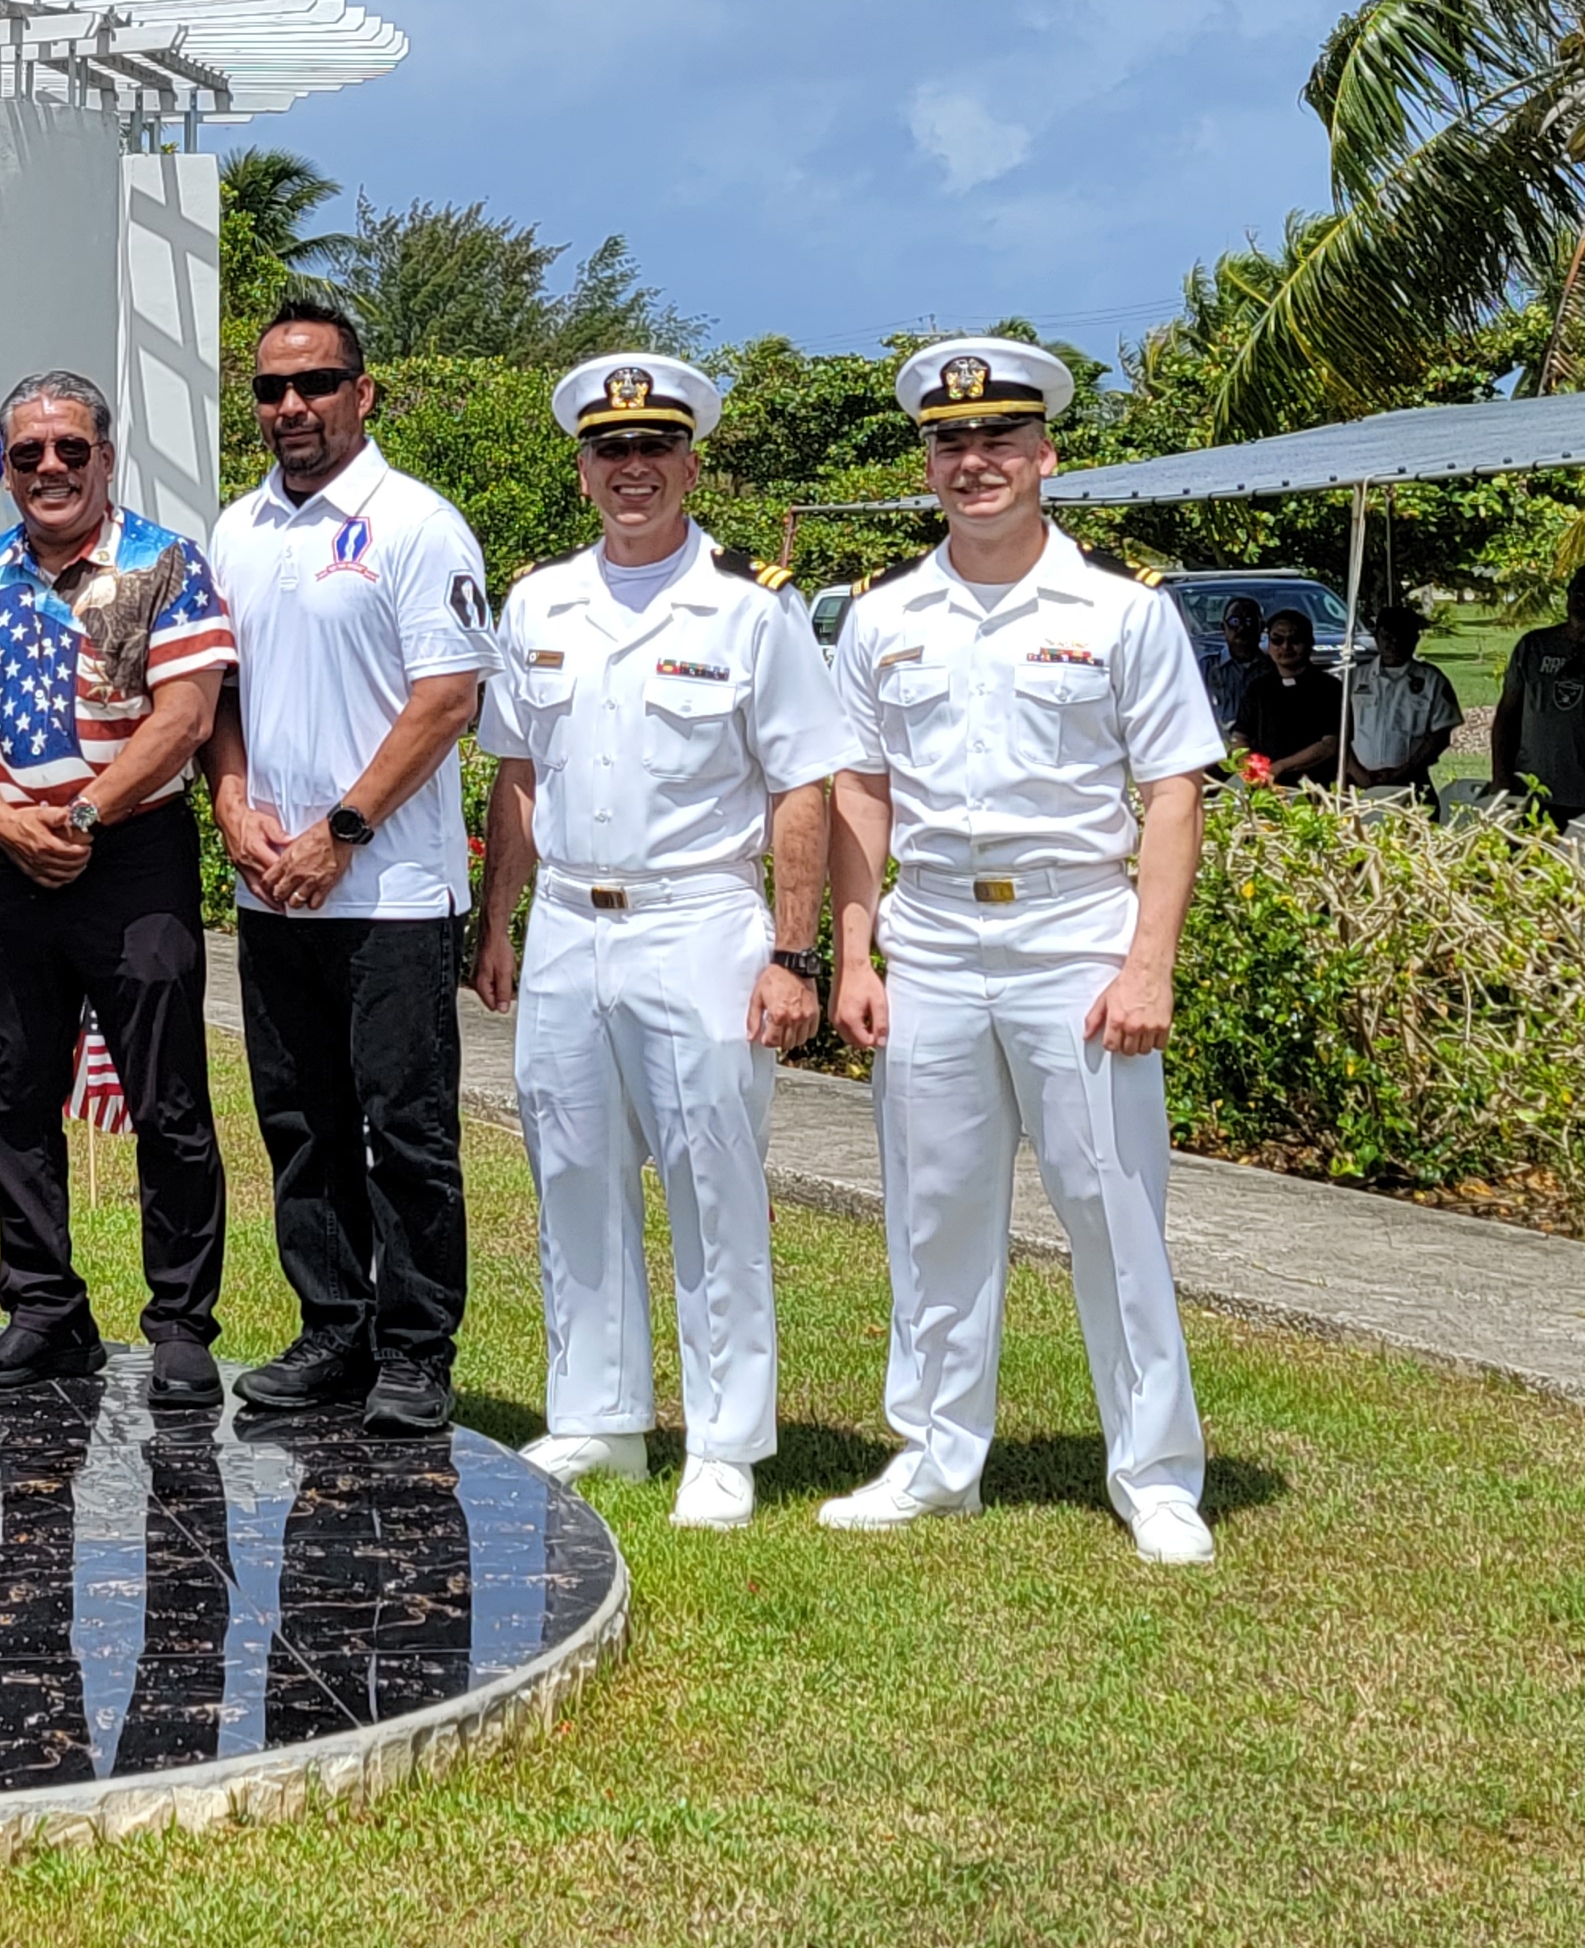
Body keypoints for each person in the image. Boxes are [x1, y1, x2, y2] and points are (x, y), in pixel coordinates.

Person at [821, 334, 1224, 1567]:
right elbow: (858, 787)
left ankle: (1154, 1472)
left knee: (1112, 1211)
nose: (973, 461)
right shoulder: (882, 617)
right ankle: (937, 1458)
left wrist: (1146, 964)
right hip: (934, 934)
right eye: (950, 443)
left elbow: (1171, 791)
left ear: (1046, 454)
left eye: (998, 439)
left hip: (1073, 936)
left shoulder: (1120, 612)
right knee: (932, 1214)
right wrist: (853, 950)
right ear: (927, 465)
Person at [469, 354, 853, 1529]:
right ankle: (600, 1416)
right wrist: (498, 921)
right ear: (582, 470)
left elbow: (803, 787)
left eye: (653, 452)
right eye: (608, 453)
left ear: (691, 465)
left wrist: (795, 957)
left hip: (697, 921)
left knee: (712, 1180)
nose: (630, 472)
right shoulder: (537, 604)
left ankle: (726, 1443)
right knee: (571, 1170)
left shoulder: (751, 610)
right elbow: (518, 773)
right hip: (570, 927)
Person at [203, 299, 493, 1437]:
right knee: (300, 1121)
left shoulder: (417, 525)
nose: (291, 408)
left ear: (361, 394)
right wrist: (228, 800)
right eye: (272, 389)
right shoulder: (237, 530)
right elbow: (217, 693)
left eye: (315, 384)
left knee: (405, 1130)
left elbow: (447, 700)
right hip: (272, 887)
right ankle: (333, 1328)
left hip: (388, 892)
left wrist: (343, 831)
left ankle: (417, 1348)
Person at [0, 369, 236, 1402]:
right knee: (9, 1089)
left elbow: (185, 715)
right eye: (27, 455)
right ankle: (45, 1309)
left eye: (69, 450)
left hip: (130, 855)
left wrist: (88, 813)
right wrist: (5, 821)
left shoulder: (164, 565)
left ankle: (181, 1320)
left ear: (106, 455)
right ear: (7, 469)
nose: (49, 468)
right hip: (16, 860)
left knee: (167, 1095)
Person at [1342, 601, 1463, 799]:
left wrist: (1403, 772)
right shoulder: (1354, 678)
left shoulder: (1431, 680)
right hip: (1358, 781)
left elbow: (1439, 736)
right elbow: (1339, 731)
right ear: (1376, 637)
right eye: (1386, 637)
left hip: (1412, 780)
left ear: (1415, 639)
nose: (1394, 643)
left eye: (1401, 636)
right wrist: (1357, 772)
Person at [1493, 568, 1585, 825]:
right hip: (1534, 791)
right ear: (1568, 595)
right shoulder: (1534, 647)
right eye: (1578, 592)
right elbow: (1507, 716)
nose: (1583, 600)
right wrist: (1501, 775)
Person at [1228, 609, 1343, 785]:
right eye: (1277, 640)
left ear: (1310, 642)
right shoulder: (1258, 688)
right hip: (1265, 787)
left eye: (1294, 640)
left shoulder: (1329, 688)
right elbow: (1240, 737)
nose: (1285, 647)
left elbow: (1329, 745)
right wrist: (1250, 765)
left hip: (1315, 788)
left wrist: (1281, 766)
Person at [1198, 595, 1267, 737]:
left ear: (1261, 627)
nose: (1241, 628)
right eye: (1234, 621)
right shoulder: (1205, 667)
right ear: (1223, 627)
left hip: (1262, 751)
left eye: (1249, 622)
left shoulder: (1274, 669)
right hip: (1217, 747)